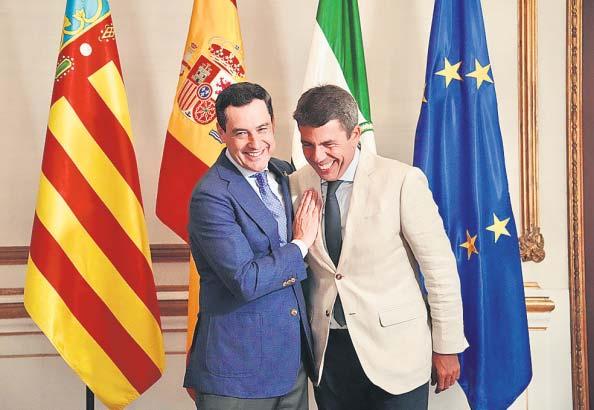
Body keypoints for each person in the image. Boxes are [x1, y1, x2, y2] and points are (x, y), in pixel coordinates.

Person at [290, 85, 469, 410]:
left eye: (329, 144)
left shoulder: (402, 181)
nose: (318, 157)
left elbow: (439, 269)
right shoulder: (296, 183)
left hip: (397, 356)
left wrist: (446, 345)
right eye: (308, 144)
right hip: (330, 357)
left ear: (355, 134)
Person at [183, 82, 321, 410]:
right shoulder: (211, 195)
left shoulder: (284, 172)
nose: (255, 143)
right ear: (222, 133)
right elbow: (246, 280)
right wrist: (299, 244)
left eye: (262, 129)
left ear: (273, 124)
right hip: (235, 372)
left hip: (292, 366)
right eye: (241, 133)